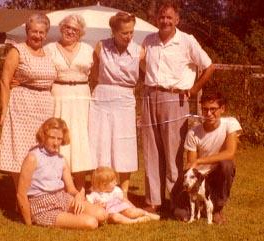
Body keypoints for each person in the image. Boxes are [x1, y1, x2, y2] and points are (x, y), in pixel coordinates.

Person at [141, 1, 215, 213]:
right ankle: (153, 201)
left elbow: (209, 66)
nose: (165, 21)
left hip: (175, 99)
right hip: (149, 96)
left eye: (169, 18)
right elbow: (143, 65)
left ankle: (177, 202)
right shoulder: (149, 40)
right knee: (151, 151)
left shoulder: (187, 41)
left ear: (177, 20)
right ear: (157, 19)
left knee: (173, 153)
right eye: (161, 17)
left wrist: (193, 89)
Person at [0, 13, 56, 191]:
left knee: (41, 149)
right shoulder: (17, 50)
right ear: (27, 31)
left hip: (45, 106)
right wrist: (4, 110)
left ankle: (37, 191)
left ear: (46, 34)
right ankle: (21, 194)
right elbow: (5, 81)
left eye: (41, 32)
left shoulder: (49, 52)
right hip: (22, 105)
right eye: (34, 31)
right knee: (21, 150)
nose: (37, 36)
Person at [88, 12, 145, 196]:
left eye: (131, 32)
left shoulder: (139, 51)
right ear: (113, 31)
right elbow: (93, 73)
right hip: (102, 96)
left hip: (125, 98)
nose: (128, 37)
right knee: (99, 142)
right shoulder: (101, 47)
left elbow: (151, 76)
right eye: (124, 33)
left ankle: (124, 192)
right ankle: (98, 188)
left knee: (124, 144)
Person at [17, 117, 107, 229]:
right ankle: (70, 218)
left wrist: (78, 196)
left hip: (62, 198)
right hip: (42, 205)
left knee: (102, 214)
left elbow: (71, 189)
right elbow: (21, 193)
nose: (56, 143)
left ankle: (70, 216)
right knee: (91, 223)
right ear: (44, 136)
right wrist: (28, 224)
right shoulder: (32, 157)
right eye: (52, 138)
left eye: (59, 139)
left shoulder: (61, 159)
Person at [174, 92, 242, 224]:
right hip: (200, 177)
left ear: (222, 109)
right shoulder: (193, 133)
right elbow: (191, 164)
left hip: (217, 173)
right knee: (180, 214)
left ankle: (217, 209)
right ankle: (198, 205)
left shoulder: (230, 123)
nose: (209, 114)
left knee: (227, 164)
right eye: (205, 109)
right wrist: (190, 180)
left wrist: (200, 160)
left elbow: (230, 153)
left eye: (213, 109)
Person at [45, 15, 94, 192]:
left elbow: (95, 74)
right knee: (58, 137)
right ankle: (57, 186)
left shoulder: (88, 49)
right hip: (58, 95)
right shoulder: (50, 48)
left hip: (81, 96)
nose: (70, 31)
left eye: (75, 29)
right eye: (67, 27)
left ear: (80, 33)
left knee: (79, 140)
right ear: (61, 28)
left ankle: (79, 187)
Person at [86, 166, 160, 224]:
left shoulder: (116, 190)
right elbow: (88, 206)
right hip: (110, 214)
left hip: (122, 209)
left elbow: (124, 200)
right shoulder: (95, 195)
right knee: (115, 217)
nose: (116, 182)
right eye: (113, 181)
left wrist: (133, 207)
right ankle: (134, 221)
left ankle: (147, 214)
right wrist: (97, 206)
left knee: (132, 212)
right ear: (104, 185)